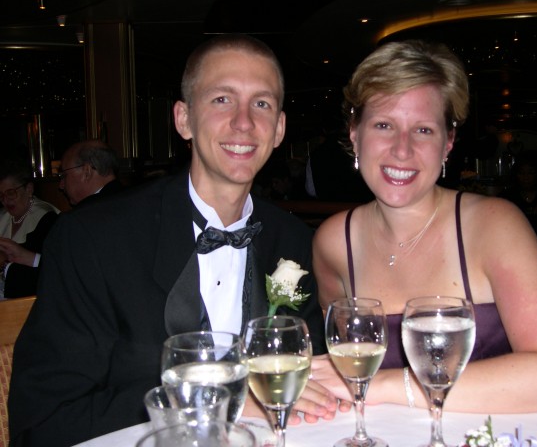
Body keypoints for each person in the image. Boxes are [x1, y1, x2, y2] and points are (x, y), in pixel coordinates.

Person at [9, 34, 336, 447]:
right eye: (221, 99)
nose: (244, 122)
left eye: (262, 103)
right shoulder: (93, 240)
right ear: (183, 119)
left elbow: (308, 384)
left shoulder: (294, 242)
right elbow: (42, 422)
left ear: (279, 129)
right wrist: (215, 403)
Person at [310, 40, 537, 413]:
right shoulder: (333, 243)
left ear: (448, 143)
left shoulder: (494, 226)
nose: (402, 149)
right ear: (355, 135)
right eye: (384, 125)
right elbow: (343, 374)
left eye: (423, 130)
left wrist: (389, 385)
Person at [0, 160, 59, 299]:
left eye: (10, 193)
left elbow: (45, 269)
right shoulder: (2, 216)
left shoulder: (46, 218)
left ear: (29, 189)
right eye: (1, 195)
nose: (5, 201)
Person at [58, 139, 123, 207]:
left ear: (87, 172)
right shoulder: (132, 199)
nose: (61, 186)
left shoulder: (84, 214)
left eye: (63, 175)